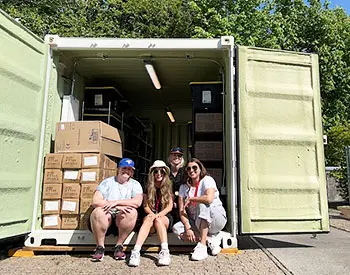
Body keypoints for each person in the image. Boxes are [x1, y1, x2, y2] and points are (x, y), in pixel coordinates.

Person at [172, 158, 227, 261]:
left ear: (200, 169)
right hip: (198, 221)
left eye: (194, 168)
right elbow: (181, 211)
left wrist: (192, 198)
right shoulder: (183, 188)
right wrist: (188, 228)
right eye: (188, 169)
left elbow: (209, 199)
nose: (191, 170)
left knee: (203, 204)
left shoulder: (207, 180)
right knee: (177, 228)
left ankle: (202, 246)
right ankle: (209, 240)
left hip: (216, 218)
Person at [89, 158, 143, 262]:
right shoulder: (107, 182)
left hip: (122, 218)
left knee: (132, 212)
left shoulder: (135, 184)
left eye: (129, 169)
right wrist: (117, 206)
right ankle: (100, 247)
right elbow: (95, 201)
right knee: (98, 212)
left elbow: (137, 202)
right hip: (107, 215)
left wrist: (116, 202)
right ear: (118, 169)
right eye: (124, 168)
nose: (126, 171)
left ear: (132, 172)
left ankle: (119, 246)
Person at [128, 160, 173, 267]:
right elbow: (145, 206)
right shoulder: (147, 186)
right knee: (149, 218)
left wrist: (159, 215)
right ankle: (136, 251)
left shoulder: (170, 185)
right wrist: (152, 214)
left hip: (164, 217)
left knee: (158, 220)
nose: (159, 174)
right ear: (152, 173)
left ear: (165, 173)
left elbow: (170, 206)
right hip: (151, 216)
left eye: (162, 171)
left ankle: (165, 251)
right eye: (156, 171)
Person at [168, 147, 185, 223]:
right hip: (168, 201)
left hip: (182, 202)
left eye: (179, 156)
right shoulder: (166, 171)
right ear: (170, 157)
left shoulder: (185, 171)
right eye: (174, 155)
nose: (176, 157)